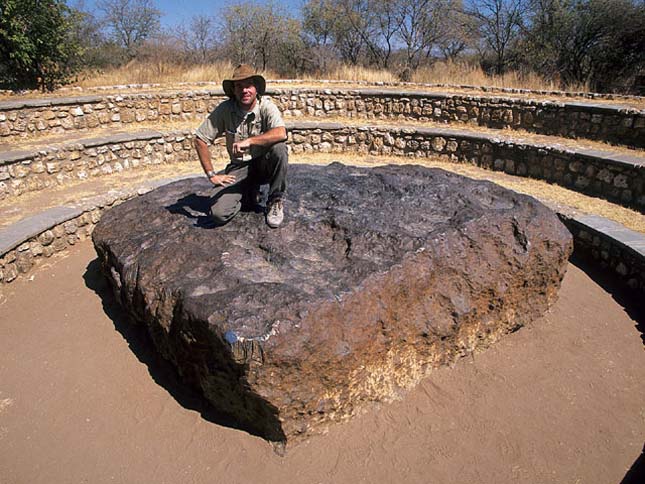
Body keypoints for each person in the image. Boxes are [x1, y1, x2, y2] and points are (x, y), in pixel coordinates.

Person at [194, 64, 288, 228]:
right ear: (234, 90)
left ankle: (275, 200)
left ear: (256, 88)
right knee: (218, 214)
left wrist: (251, 141)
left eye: (248, 85)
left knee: (279, 149)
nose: (244, 90)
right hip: (239, 168)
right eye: (239, 86)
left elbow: (281, 133)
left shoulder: (266, 106)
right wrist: (212, 175)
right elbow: (200, 139)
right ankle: (249, 194)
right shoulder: (225, 109)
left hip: (263, 165)